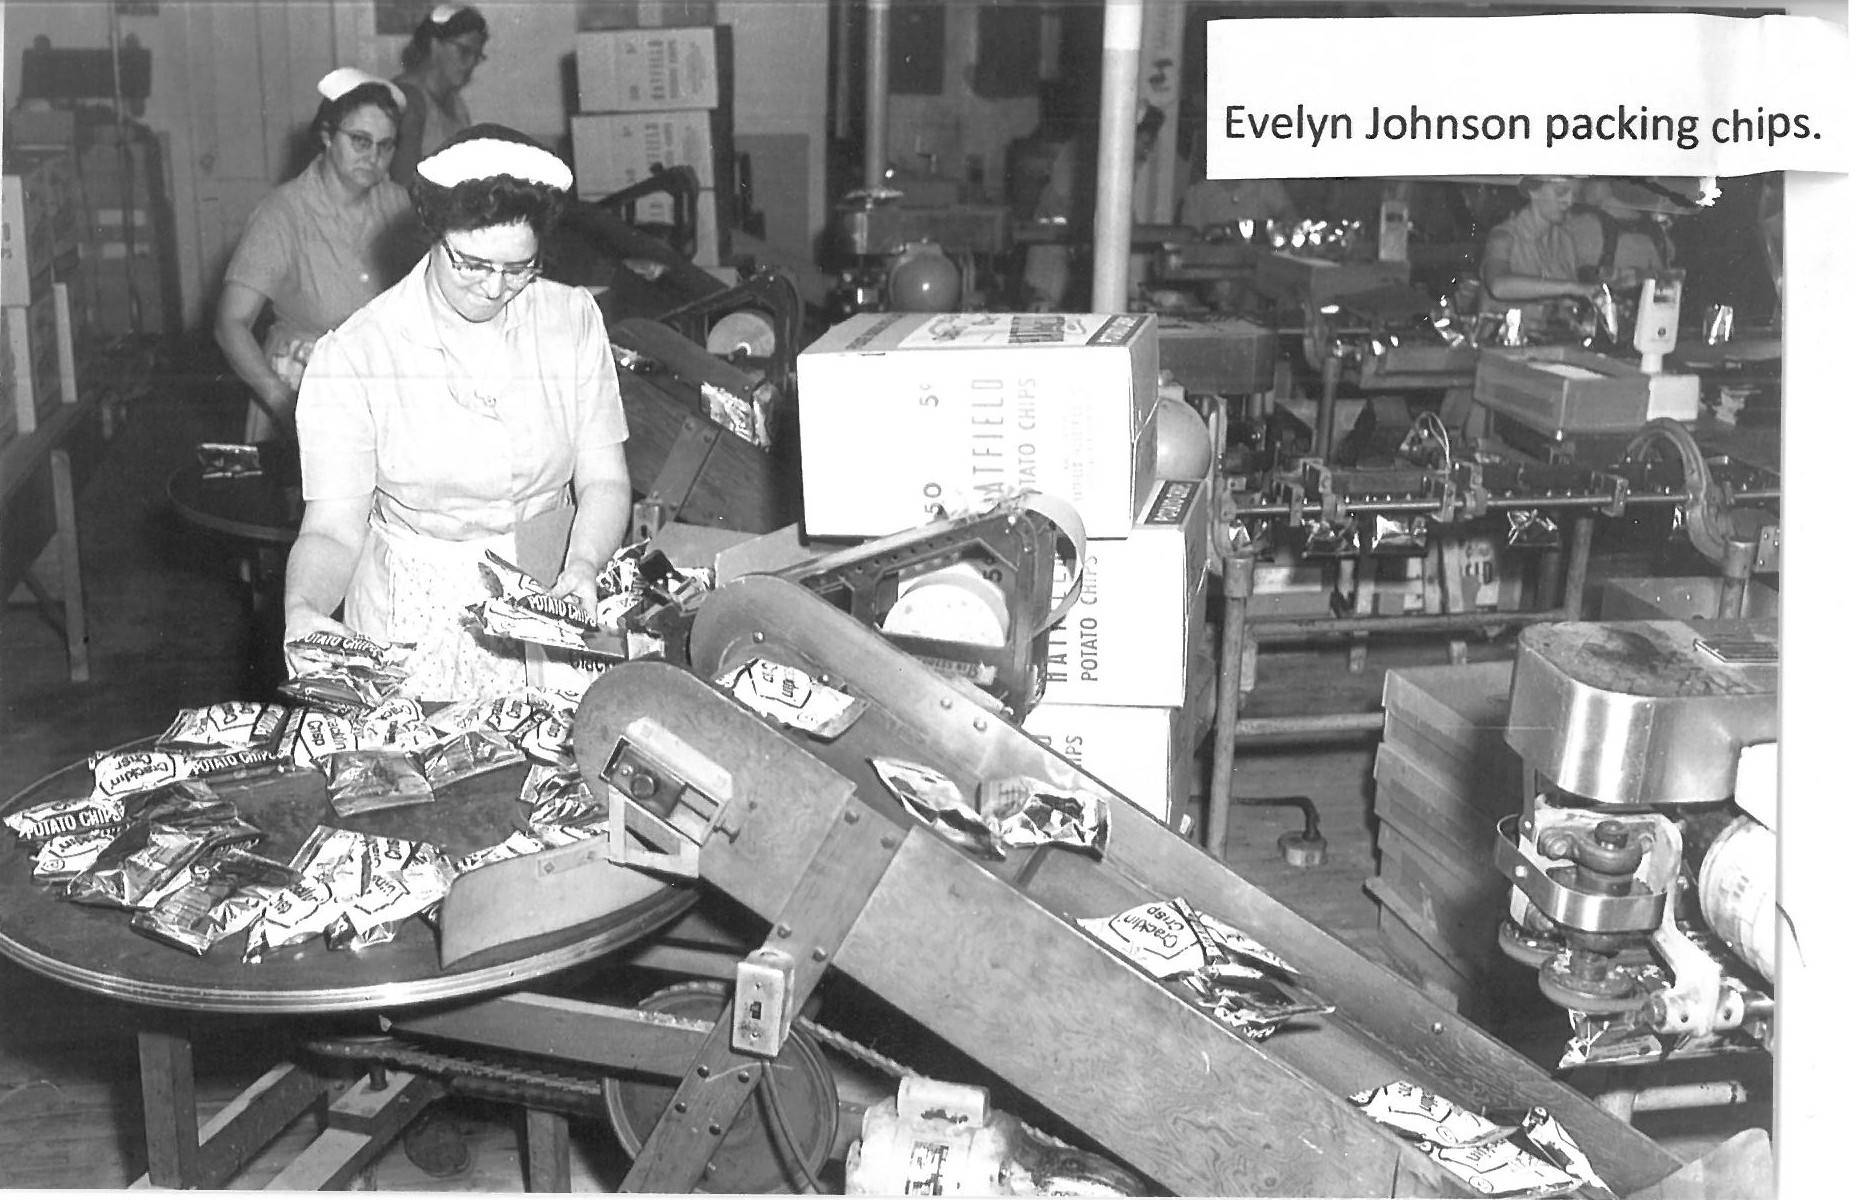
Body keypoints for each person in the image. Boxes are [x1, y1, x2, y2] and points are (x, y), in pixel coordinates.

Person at [282, 125, 632, 701]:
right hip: (415, 620)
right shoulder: (356, 354)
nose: (495, 288)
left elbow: (605, 478)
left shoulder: (570, 319)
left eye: (520, 268)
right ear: (434, 234)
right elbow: (331, 532)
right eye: (472, 264)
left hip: (554, 587)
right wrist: (303, 609)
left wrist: (584, 566)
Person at [215, 69, 419, 441]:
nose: (373, 157)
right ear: (326, 135)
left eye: (385, 146)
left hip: (382, 389)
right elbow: (230, 324)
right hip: (301, 388)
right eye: (360, 141)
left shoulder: (399, 205)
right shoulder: (282, 213)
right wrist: (282, 402)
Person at [1478, 174, 1609, 337]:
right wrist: (1570, 287)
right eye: (1561, 192)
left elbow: (1565, 309)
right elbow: (1498, 285)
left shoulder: (1564, 240)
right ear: (1534, 191)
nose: (1568, 202)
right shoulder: (1503, 236)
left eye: (1574, 195)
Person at [390, 4, 490, 189]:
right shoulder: (408, 98)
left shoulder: (456, 103)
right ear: (434, 44)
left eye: (476, 56)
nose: (470, 64)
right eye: (464, 51)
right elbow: (403, 189)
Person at [1567, 178, 1676, 292]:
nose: (1583, 186)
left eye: (1589, 179)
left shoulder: (1582, 226)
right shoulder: (1658, 234)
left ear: (1604, 186)